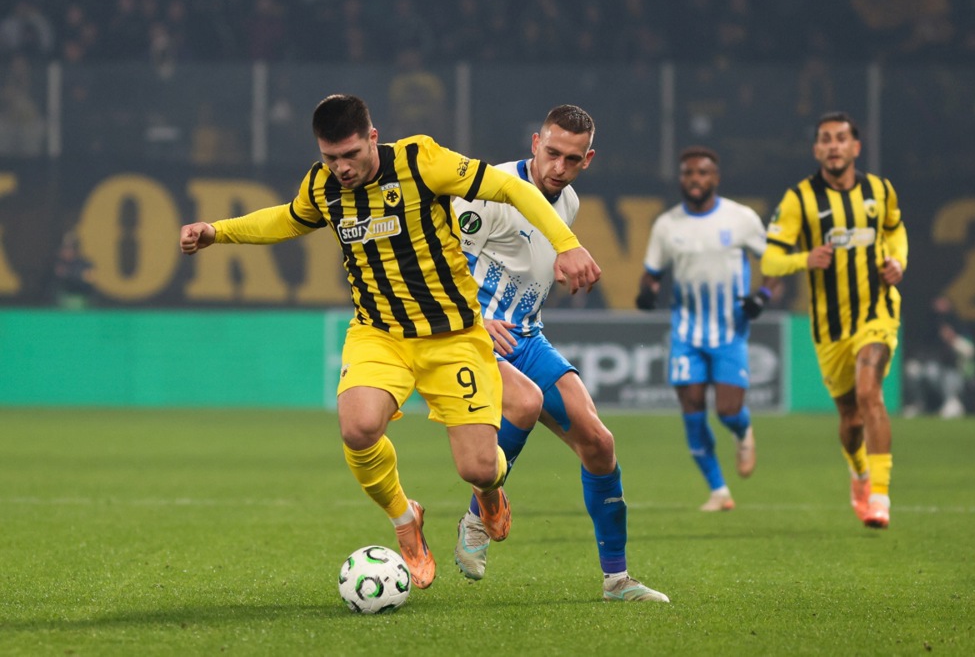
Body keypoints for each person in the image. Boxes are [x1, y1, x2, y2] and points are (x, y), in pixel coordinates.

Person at [179, 94, 602, 590]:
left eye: (351, 154)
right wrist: (217, 232)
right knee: (358, 428)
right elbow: (288, 219)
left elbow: (513, 191)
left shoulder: (422, 162)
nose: (341, 168)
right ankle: (406, 522)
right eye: (330, 157)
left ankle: (490, 491)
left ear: (373, 137)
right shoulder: (323, 187)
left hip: (453, 336)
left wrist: (568, 244)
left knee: (480, 466)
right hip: (379, 333)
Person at [452, 105, 668, 602]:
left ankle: (617, 579)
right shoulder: (488, 193)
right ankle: (480, 513)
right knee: (524, 403)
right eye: (551, 153)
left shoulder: (566, 200)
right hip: (473, 333)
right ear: (534, 143)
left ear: (586, 159)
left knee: (600, 442)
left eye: (572, 159)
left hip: (526, 337)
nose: (558, 167)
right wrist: (476, 320)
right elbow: (442, 261)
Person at [762, 111, 907, 529]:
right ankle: (859, 472)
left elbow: (896, 231)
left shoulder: (880, 191)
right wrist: (803, 259)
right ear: (817, 149)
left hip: (877, 311)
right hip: (829, 327)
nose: (833, 145)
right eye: (825, 139)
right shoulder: (799, 199)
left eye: (841, 138)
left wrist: (898, 261)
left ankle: (880, 496)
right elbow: (771, 256)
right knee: (849, 419)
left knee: (869, 393)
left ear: (855, 147)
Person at [636, 146, 777, 512]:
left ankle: (743, 432)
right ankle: (718, 490)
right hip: (686, 333)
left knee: (729, 411)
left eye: (702, 173)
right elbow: (652, 274)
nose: (695, 179)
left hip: (730, 329)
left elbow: (775, 265)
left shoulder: (741, 218)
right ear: (681, 178)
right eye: (688, 173)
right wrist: (646, 295)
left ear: (715, 178)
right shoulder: (667, 225)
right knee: (693, 410)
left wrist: (761, 296)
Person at [903, 295, 975, 419]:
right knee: (914, 369)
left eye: (944, 305)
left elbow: (969, 352)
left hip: (956, 372)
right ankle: (917, 404)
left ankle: (953, 403)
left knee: (946, 375)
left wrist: (952, 339)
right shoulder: (927, 328)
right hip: (930, 368)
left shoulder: (959, 326)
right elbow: (919, 349)